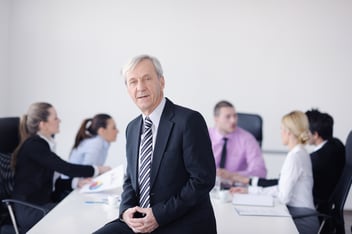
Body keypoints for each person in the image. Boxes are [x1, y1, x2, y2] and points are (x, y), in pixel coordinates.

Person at [93, 55, 217, 234]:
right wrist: (126, 211)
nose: (140, 87)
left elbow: (202, 180)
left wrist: (158, 216)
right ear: (128, 89)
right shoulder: (132, 128)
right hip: (140, 221)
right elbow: (130, 179)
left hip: (180, 220)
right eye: (133, 82)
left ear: (162, 81)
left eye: (147, 78)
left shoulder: (189, 121)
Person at [11, 102, 111, 233]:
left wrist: (76, 182)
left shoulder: (43, 145)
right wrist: (98, 169)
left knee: (80, 211)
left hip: (42, 204)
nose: (59, 121)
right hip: (29, 210)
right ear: (43, 124)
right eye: (55, 118)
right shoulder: (34, 145)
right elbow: (66, 168)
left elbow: (52, 183)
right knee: (76, 216)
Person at [230, 110, 319, 234]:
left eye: (281, 129)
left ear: (288, 132)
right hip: (299, 214)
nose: (281, 133)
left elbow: (283, 197)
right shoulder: (300, 152)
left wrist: (251, 192)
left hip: (301, 219)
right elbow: (281, 189)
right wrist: (249, 191)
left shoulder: (295, 157)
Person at [54, 113, 119, 201]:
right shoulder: (96, 144)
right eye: (113, 128)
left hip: (75, 186)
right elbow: (87, 173)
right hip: (69, 190)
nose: (117, 131)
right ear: (102, 131)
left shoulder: (101, 142)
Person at [208, 100, 266, 184]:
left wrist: (232, 175)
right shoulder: (205, 136)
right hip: (209, 187)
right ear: (216, 119)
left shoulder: (247, 139)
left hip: (237, 188)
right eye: (228, 117)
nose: (233, 120)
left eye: (235, 116)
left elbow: (260, 172)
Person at [306, 109, 345, 217]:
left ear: (315, 135)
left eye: (307, 131)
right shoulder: (337, 145)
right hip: (327, 206)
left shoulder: (315, 159)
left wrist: (258, 182)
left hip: (313, 208)